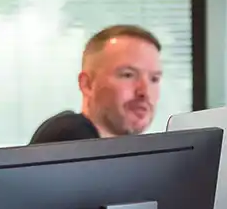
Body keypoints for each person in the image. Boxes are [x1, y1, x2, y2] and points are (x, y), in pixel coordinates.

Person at [30, 24, 163, 144]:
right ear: (87, 84)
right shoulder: (68, 135)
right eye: (127, 75)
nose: (145, 92)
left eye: (154, 79)